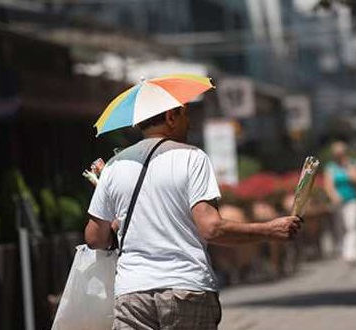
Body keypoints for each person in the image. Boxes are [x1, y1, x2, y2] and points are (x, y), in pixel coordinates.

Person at [85, 105, 302, 329]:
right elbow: (211, 228)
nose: (188, 123)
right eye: (184, 115)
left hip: (132, 293)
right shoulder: (192, 158)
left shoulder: (114, 166)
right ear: (171, 117)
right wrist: (269, 230)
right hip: (185, 288)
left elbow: (94, 238)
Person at [324, 141, 356, 264]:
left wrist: (347, 168)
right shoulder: (330, 167)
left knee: (352, 226)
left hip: (352, 199)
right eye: (337, 153)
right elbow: (328, 185)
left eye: (341, 153)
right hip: (338, 201)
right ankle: (342, 248)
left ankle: (350, 253)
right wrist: (334, 196)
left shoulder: (352, 164)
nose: (339, 155)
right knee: (340, 227)